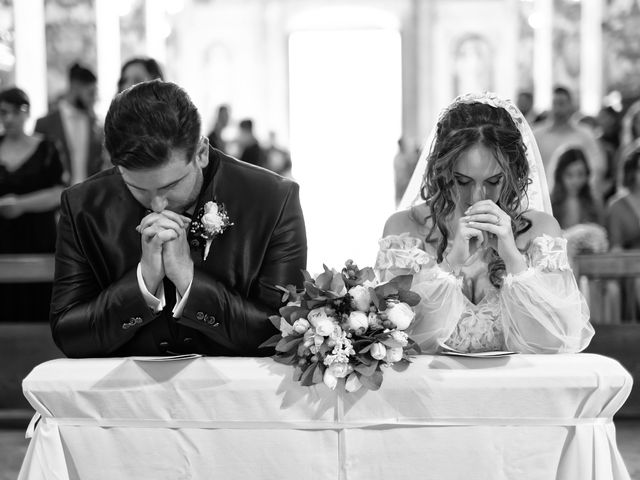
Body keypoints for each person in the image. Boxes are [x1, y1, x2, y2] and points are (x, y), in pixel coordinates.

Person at [50, 81, 307, 357]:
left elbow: (283, 330)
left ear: (201, 153)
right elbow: (68, 334)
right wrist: (142, 282)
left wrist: (189, 281)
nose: (157, 204)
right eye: (137, 188)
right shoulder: (83, 206)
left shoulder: (272, 200)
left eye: (169, 187)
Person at [377, 92, 593, 354]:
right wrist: (448, 266)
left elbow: (548, 345)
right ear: (442, 172)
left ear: (514, 173)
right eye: (463, 181)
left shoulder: (541, 232)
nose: (477, 196)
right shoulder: (405, 232)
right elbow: (403, 344)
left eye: (493, 182)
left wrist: (514, 260)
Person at [0, 87, 64, 321]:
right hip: (3, 238)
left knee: (38, 301)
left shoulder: (46, 148)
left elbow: (60, 192)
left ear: (26, 113)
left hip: (38, 235)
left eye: (14, 113)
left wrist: (21, 204)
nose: (8, 119)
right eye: (2, 113)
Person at [35, 63, 104, 186]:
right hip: (57, 199)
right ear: (75, 86)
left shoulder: (97, 124)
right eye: (91, 93)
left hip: (91, 196)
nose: (93, 99)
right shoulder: (44, 124)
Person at [534, 86, 606, 200]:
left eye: (562, 103)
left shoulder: (585, 134)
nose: (558, 108)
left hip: (578, 198)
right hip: (543, 199)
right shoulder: (536, 135)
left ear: (571, 105)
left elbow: (597, 167)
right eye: (555, 103)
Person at [550, 147, 603, 229]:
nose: (575, 181)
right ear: (560, 176)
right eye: (569, 175)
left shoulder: (594, 203)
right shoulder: (551, 204)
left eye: (580, 174)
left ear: (587, 174)